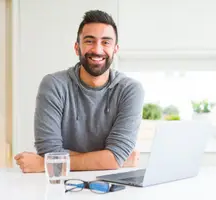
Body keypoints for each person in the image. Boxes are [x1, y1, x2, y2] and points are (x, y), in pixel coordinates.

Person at [14, 10, 145, 173]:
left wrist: (45, 164)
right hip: (60, 186)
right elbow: (49, 151)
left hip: (109, 188)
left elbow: (113, 158)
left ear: (115, 49)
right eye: (89, 41)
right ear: (77, 48)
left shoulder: (130, 90)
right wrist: (111, 160)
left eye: (106, 42)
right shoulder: (54, 85)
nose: (97, 49)